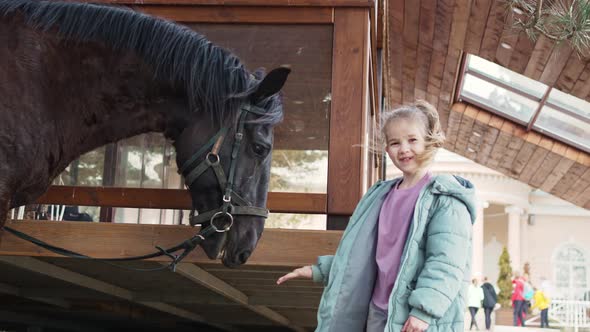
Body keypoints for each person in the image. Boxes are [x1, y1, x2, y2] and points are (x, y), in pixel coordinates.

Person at [276, 100, 476, 332]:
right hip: (378, 312)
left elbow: (446, 262)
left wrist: (423, 311)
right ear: (387, 149)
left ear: (429, 141)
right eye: (394, 142)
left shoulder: (445, 199)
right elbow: (367, 256)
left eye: (412, 140)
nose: (403, 149)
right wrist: (319, 270)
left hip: (415, 319)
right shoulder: (380, 195)